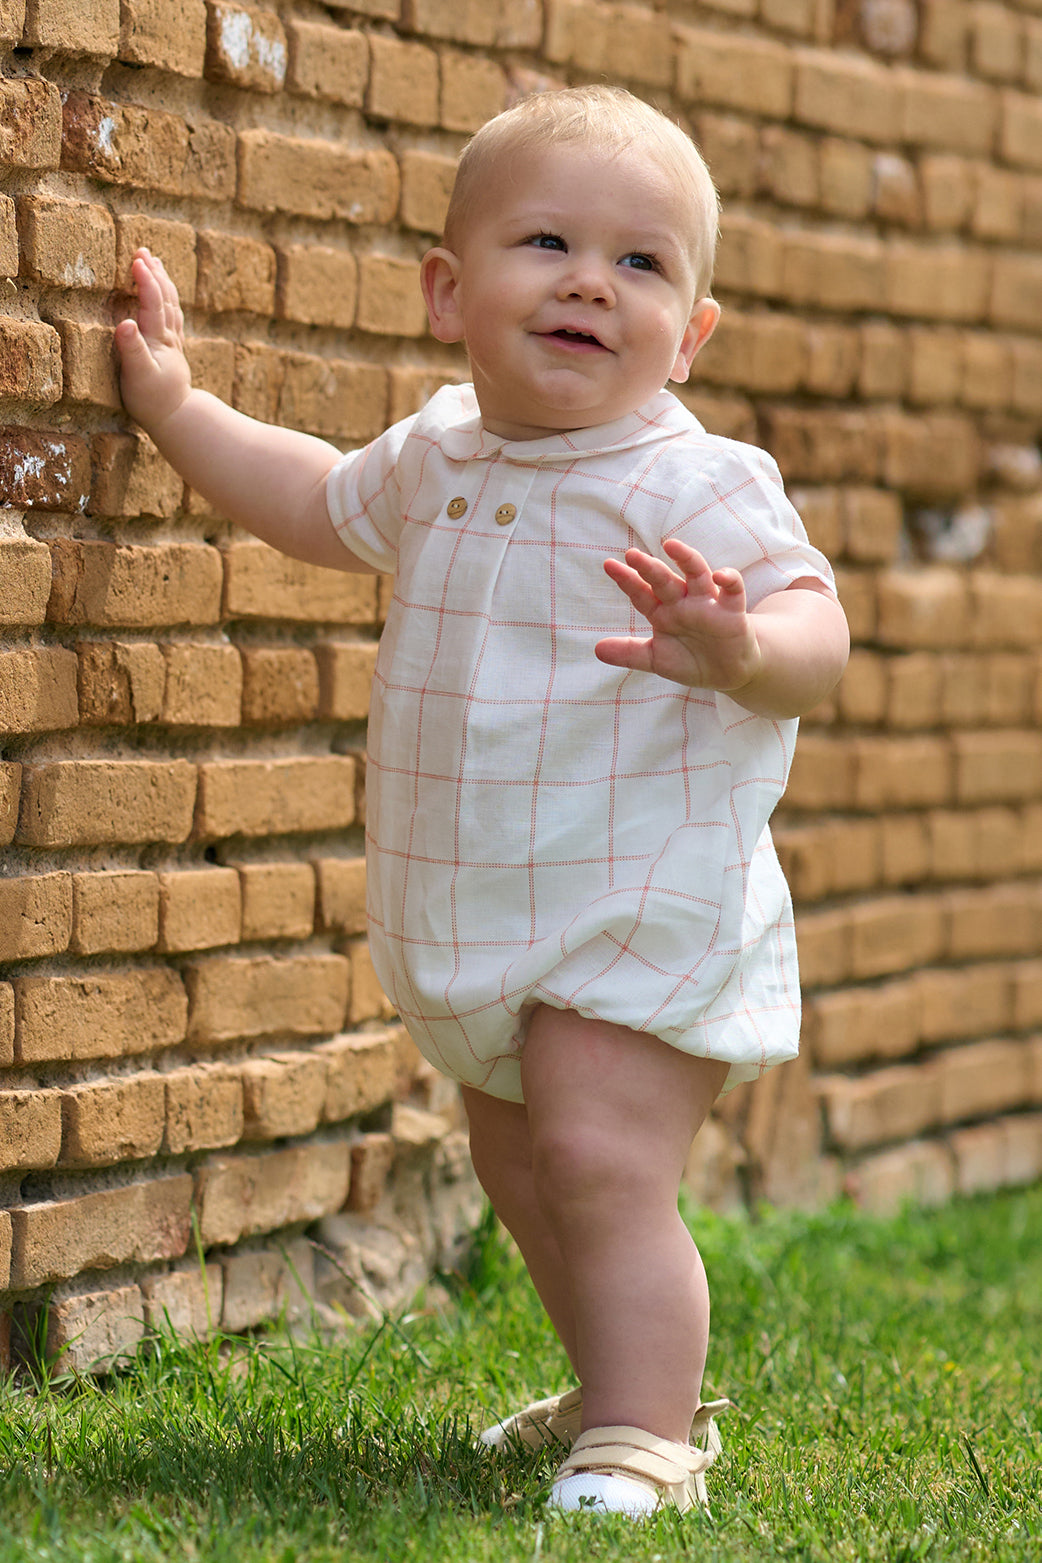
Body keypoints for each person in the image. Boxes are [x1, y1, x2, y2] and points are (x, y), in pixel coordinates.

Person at [116, 85, 849, 1519]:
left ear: (687, 334)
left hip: (633, 899)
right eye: (548, 243)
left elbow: (813, 630)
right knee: (522, 1166)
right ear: (451, 291)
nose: (592, 279)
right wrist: (174, 408)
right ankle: (611, 1376)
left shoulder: (696, 479)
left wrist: (743, 645)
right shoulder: (437, 454)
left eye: (641, 265)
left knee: (595, 1153)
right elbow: (314, 502)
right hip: (482, 905)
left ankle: (644, 1435)